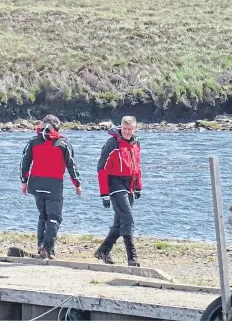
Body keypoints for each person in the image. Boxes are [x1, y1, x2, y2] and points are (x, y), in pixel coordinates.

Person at [20, 114, 82, 260]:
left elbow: (24, 162)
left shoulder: (33, 141)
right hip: (53, 185)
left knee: (43, 216)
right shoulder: (63, 143)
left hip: (35, 184)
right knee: (54, 218)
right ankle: (48, 249)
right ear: (57, 127)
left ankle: (42, 246)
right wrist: (77, 184)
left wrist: (24, 181)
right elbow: (71, 165)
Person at [95, 116, 142, 267]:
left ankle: (103, 251)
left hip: (130, 185)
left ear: (134, 128)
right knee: (128, 219)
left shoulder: (136, 143)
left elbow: (137, 166)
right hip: (115, 185)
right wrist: (104, 194)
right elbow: (101, 169)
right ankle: (132, 257)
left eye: (130, 129)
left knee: (119, 223)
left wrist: (138, 186)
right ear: (121, 127)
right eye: (125, 129)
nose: (127, 132)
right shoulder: (112, 143)